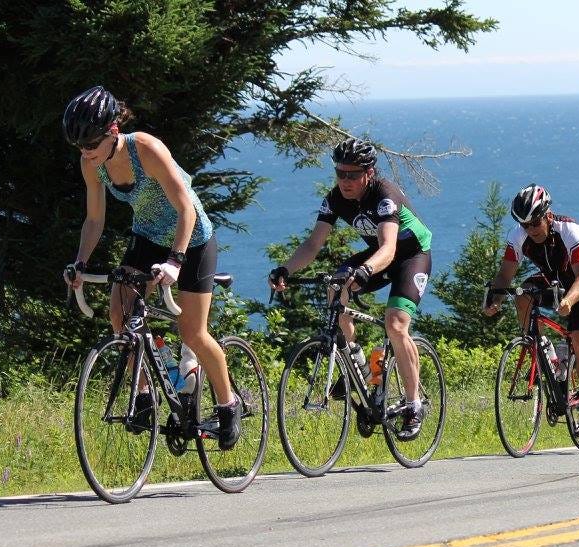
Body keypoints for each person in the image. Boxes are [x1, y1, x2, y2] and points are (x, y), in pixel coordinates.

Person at [61, 86, 241, 449]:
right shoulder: (91, 163)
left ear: (113, 132)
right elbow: (94, 220)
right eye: (80, 148)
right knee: (120, 313)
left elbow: (186, 208)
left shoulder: (146, 149)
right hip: (146, 236)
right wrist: (80, 262)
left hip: (192, 237)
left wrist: (176, 259)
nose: (86, 153)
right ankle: (144, 397)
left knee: (193, 332)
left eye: (91, 145)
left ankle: (228, 404)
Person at [268, 137, 432, 441]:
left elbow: (389, 247)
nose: (345, 180)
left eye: (352, 174)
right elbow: (313, 243)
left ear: (369, 173)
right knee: (335, 286)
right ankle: (355, 359)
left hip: (410, 256)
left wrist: (365, 269)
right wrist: (285, 269)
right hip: (377, 257)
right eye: (340, 173)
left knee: (396, 324)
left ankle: (413, 405)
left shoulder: (385, 196)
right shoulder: (334, 199)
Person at [484, 183, 579, 437]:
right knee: (522, 295)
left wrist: (569, 301)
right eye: (524, 225)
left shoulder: (571, 231)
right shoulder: (518, 236)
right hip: (555, 279)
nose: (530, 230)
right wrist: (494, 299)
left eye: (534, 223)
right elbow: (505, 275)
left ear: (548, 216)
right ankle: (544, 351)